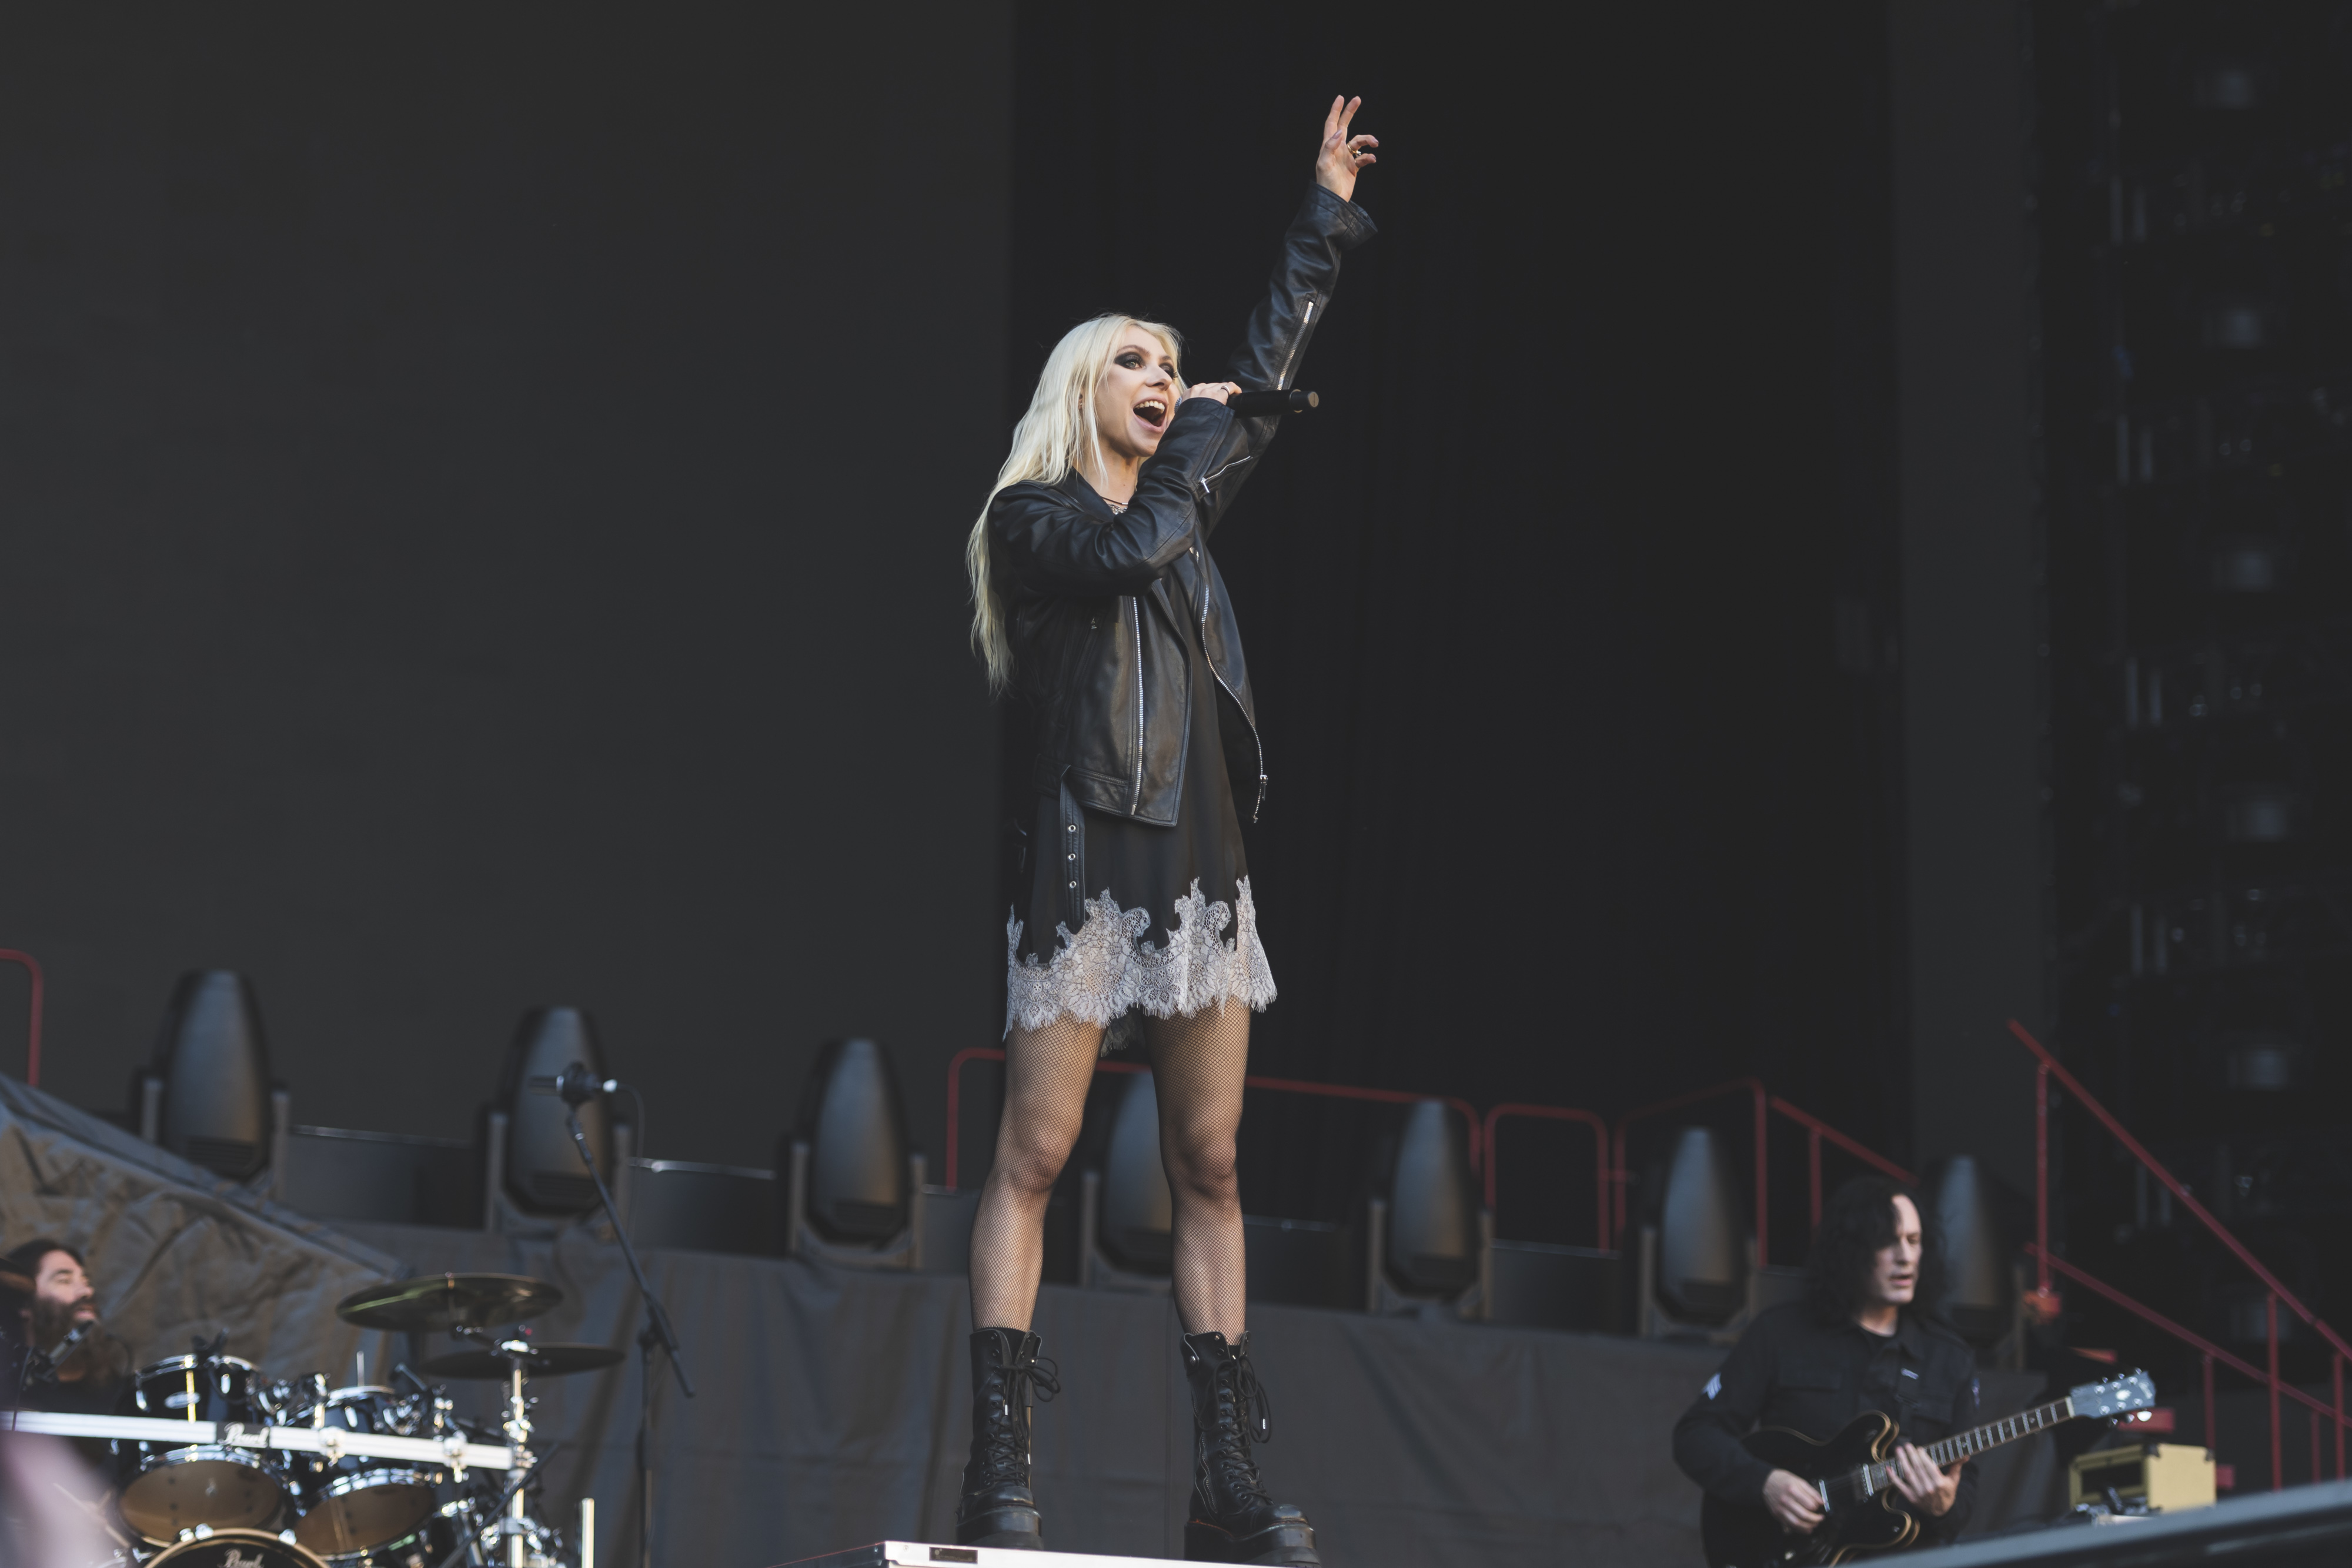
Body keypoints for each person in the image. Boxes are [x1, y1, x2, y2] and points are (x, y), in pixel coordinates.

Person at [956, 96, 1379, 1565]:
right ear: (1086, 390)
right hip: (1086, 854)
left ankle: (1223, 1477)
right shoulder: (1035, 518)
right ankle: (996, 1463)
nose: (1163, 377)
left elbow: (1260, 369)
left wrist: (1318, 220)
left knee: (1212, 1163)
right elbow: (1138, 540)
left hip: (1199, 862)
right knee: (1038, 1152)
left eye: (1167, 362)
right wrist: (1196, 449)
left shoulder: (1185, 495)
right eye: (1132, 362)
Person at [1673, 1176, 1980, 1552]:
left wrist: (1943, 1506)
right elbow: (1696, 1434)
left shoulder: (1950, 1358)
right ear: (1850, 1250)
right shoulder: (1781, 1333)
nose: (1905, 1257)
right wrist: (1766, 1483)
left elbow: (1963, 1492)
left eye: (1913, 1241)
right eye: (1887, 1240)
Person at [4, 1239, 132, 1416]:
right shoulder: (8, 1394)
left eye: (85, 1281)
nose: (87, 1292)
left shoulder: (121, 1396)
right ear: (23, 1302)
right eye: (65, 1280)